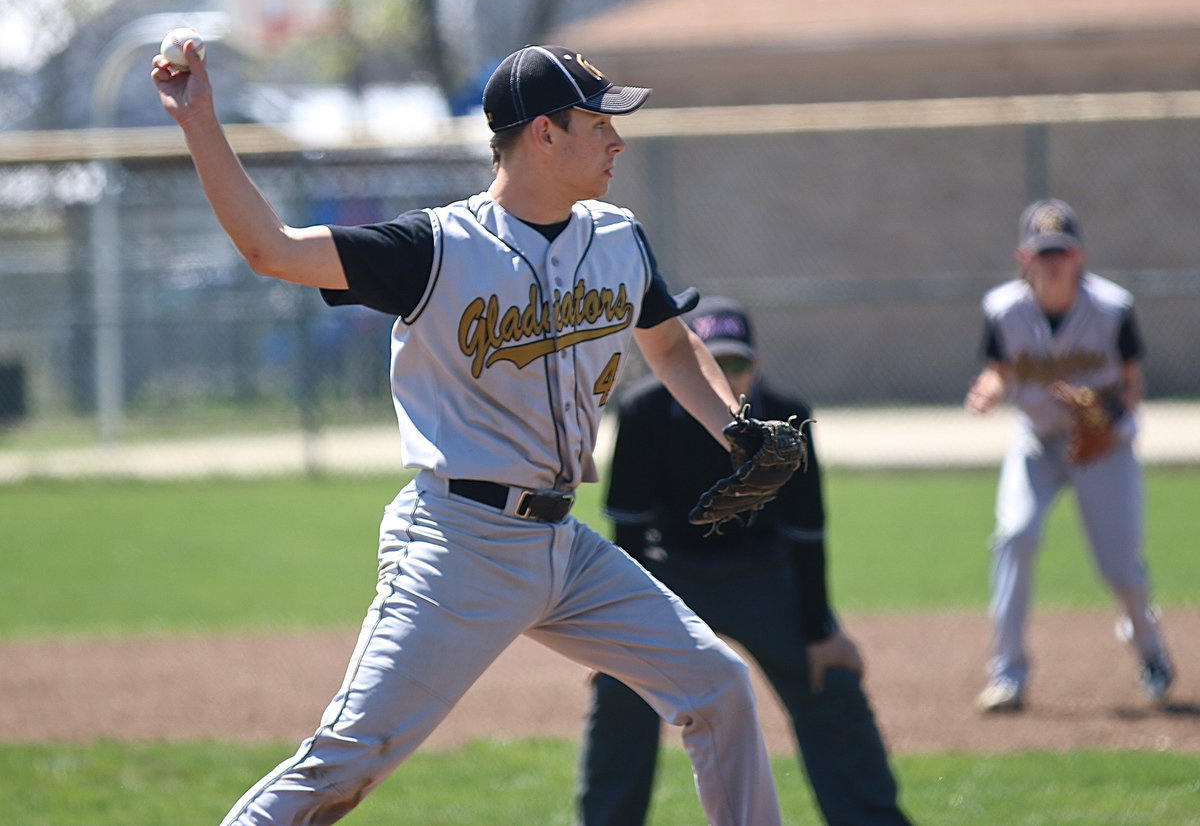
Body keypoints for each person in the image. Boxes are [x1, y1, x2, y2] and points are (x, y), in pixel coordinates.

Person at [154, 41, 788, 825]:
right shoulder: (437, 249)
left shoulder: (617, 238)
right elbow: (271, 251)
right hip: (459, 544)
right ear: (544, 133)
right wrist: (200, 122)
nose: (617, 140)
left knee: (717, 686)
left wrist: (734, 428)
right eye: (598, 123)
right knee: (345, 763)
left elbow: (667, 342)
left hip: (565, 547)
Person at [577, 296, 914, 826]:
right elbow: (630, 530)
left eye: (737, 362)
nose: (727, 375)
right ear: (691, 365)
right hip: (671, 573)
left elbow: (806, 532)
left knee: (829, 675)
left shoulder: (786, 416)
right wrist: (619, 632)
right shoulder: (644, 411)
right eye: (713, 363)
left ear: (756, 365)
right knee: (620, 685)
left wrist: (820, 631)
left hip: (762, 573)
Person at [965, 198, 1174, 713]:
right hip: (1038, 442)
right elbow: (999, 370)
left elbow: (1132, 385)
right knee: (1015, 535)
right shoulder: (1004, 309)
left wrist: (1103, 415)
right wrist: (989, 390)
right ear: (1024, 258)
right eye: (1043, 252)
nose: (1053, 262)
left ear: (1079, 256)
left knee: (1121, 569)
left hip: (1104, 449)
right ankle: (1008, 675)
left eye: (1062, 251)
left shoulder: (1112, 308)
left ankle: (1149, 649)